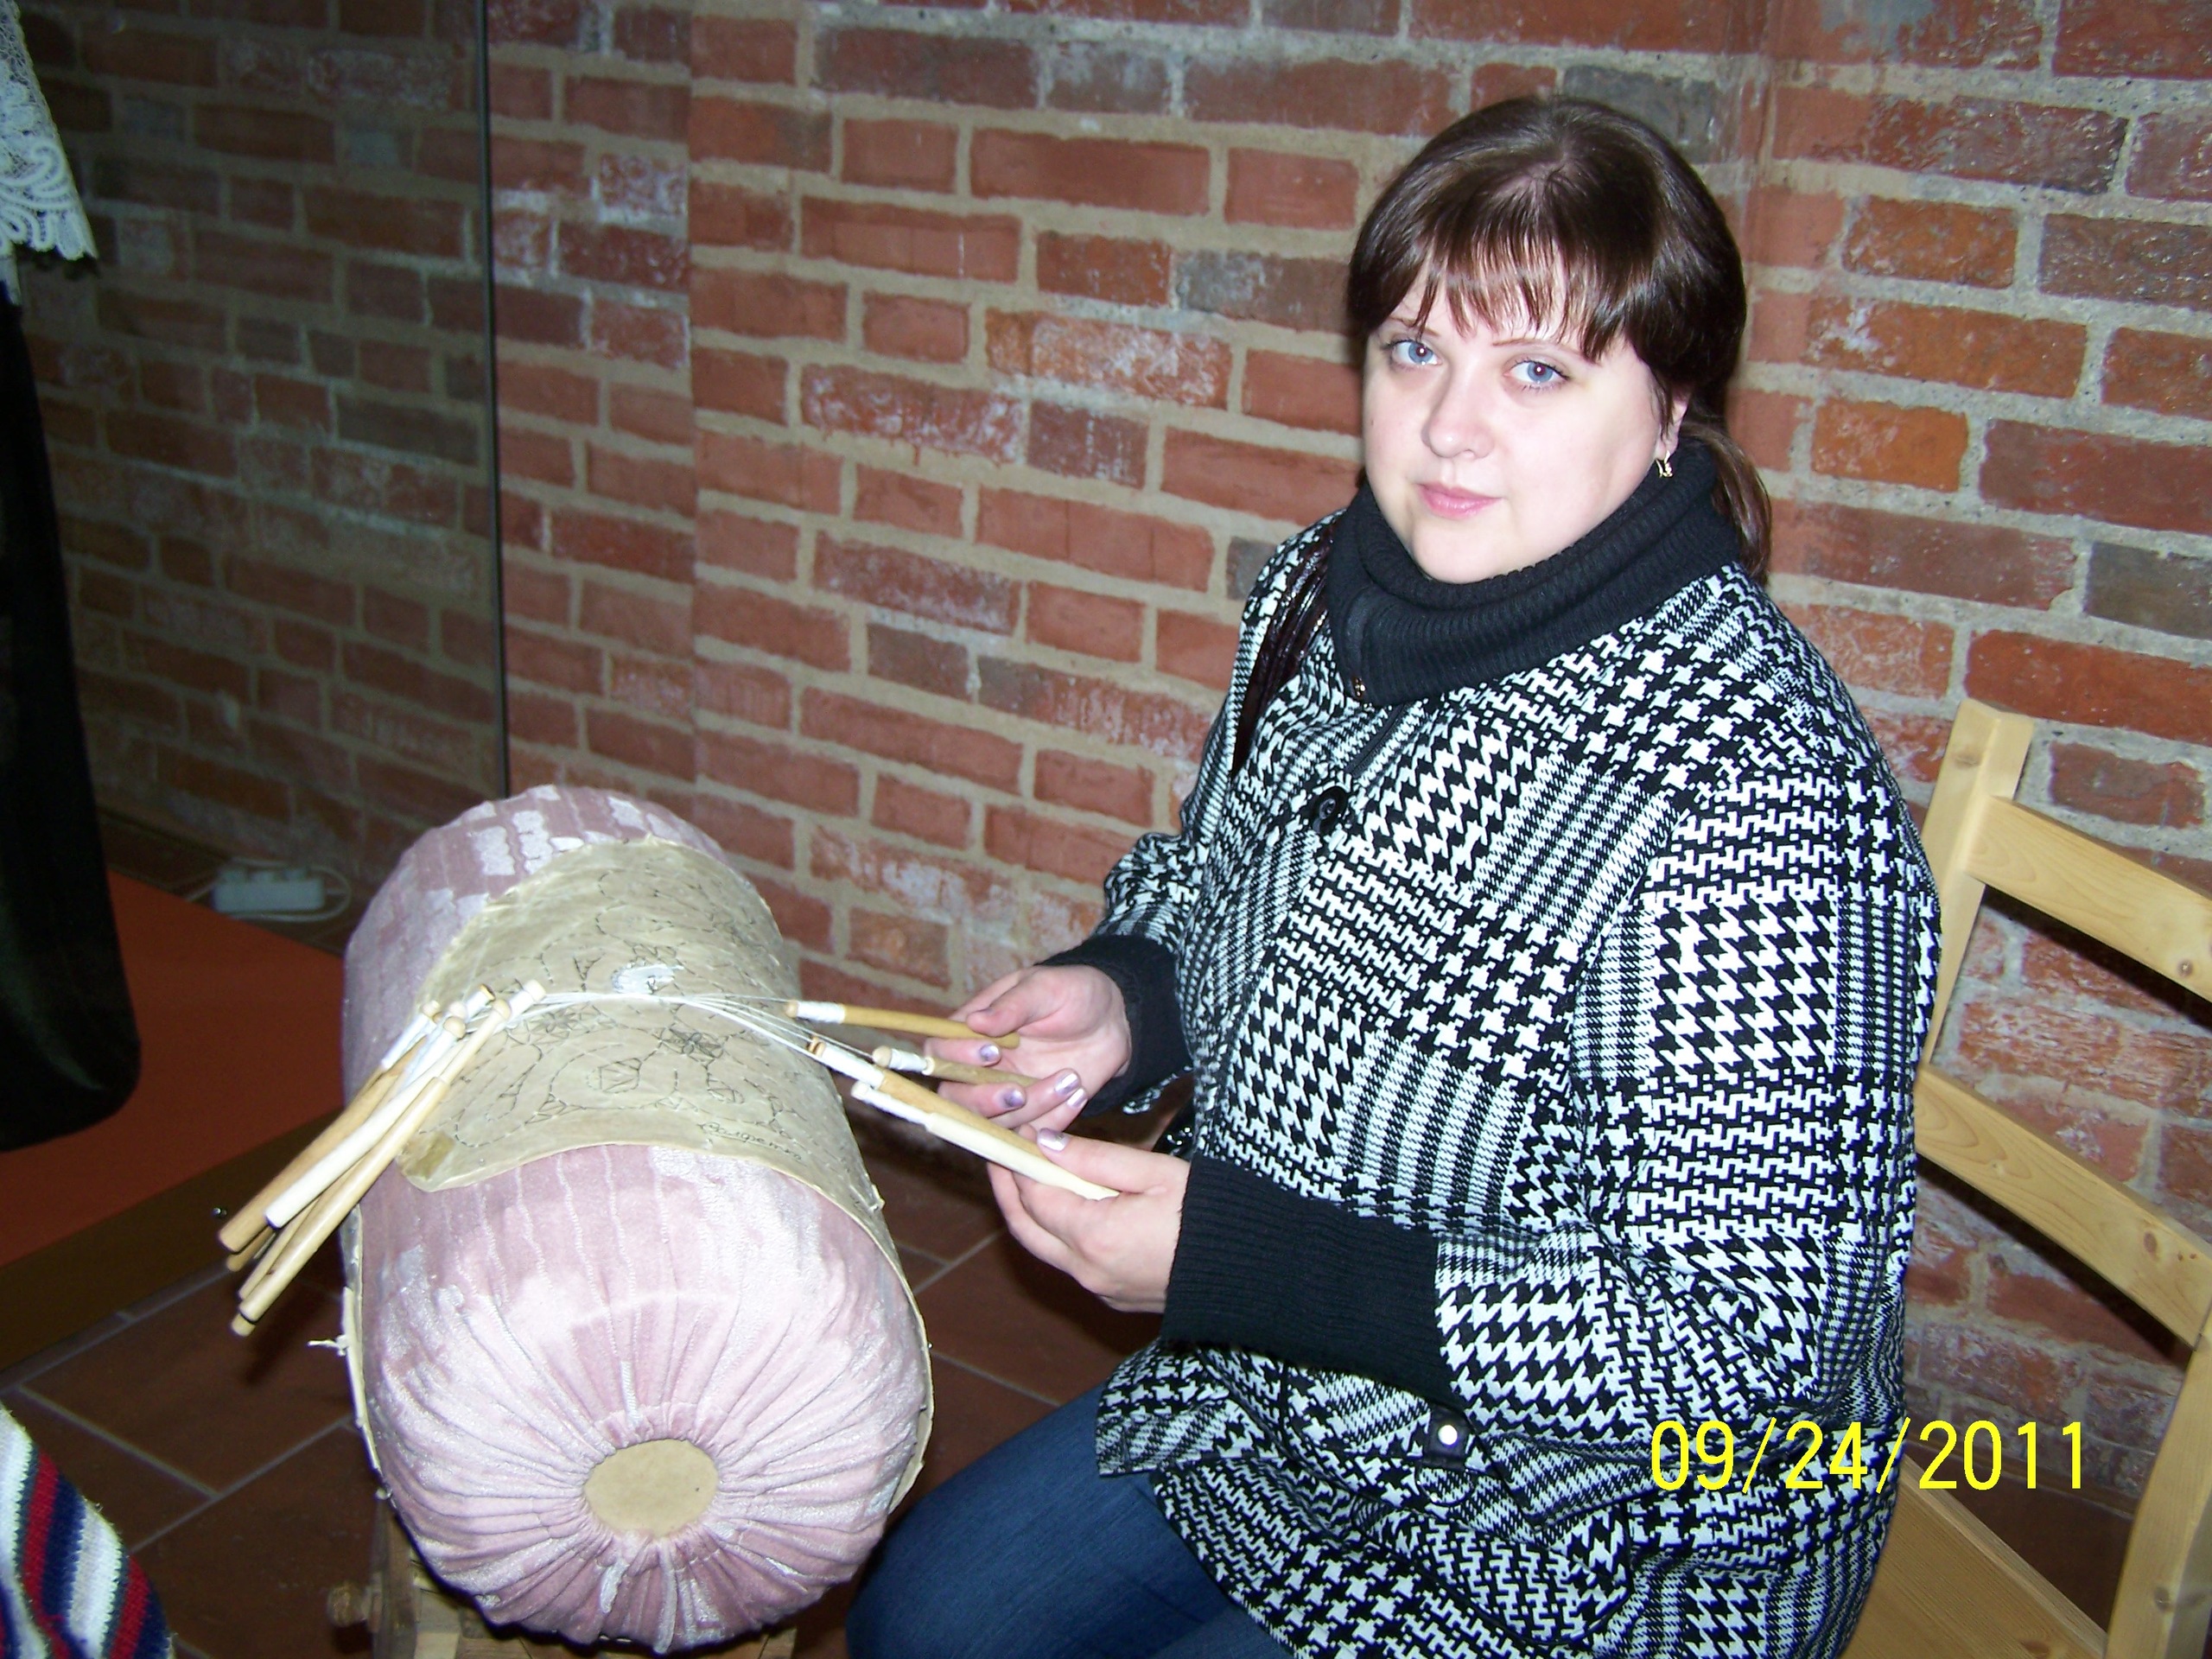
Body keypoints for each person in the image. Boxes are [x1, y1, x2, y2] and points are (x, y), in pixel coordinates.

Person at [846, 96, 1940, 1659]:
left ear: (1673, 405)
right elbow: (1214, 877)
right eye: (1416, 351)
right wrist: (1129, 998)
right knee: (917, 1621)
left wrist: (1242, 1263)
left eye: (1539, 370)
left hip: (1579, 1545)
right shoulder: (1328, 585)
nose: (1449, 430)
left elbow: (1745, 1347)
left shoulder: (1762, 789)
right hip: (1265, 1406)